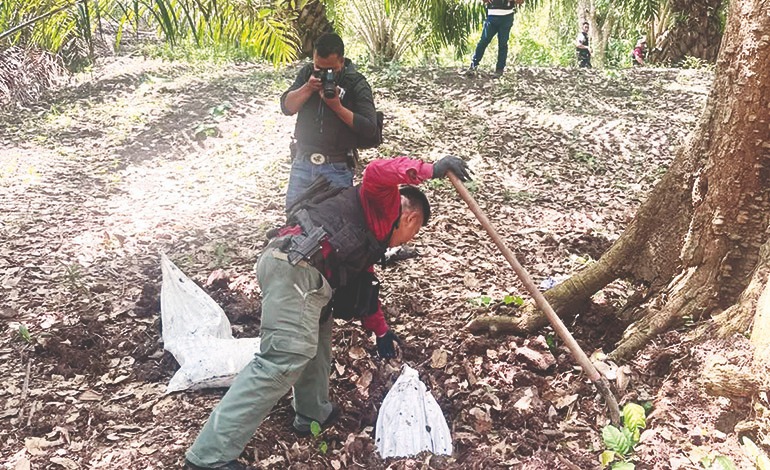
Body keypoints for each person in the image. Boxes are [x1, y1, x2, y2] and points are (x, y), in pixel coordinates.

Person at [184, 155, 473, 470]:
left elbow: (365, 287)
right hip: (296, 269)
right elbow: (377, 170)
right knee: (282, 359)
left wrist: (381, 331)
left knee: (317, 342)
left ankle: (311, 413)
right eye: (414, 232)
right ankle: (208, 456)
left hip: (306, 276)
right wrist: (431, 170)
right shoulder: (384, 205)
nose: (408, 239)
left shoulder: (370, 235)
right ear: (412, 219)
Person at [281, 33, 378, 209]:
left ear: (341, 61)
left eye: (331, 70)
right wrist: (308, 87)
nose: (325, 74)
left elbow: (370, 128)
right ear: (313, 59)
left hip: (337, 166)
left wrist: (337, 107)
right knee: (293, 223)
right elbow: (287, 107)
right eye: (319, 68)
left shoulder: (356, 83)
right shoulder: (307, 74)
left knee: (335, 225)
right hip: (303, 162)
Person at [467, 0, 524, 77]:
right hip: (492, 17)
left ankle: (499, 70)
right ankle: (473, 66)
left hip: (506, 17)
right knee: (483, 41)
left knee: (503, 44)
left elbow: (521, 1)